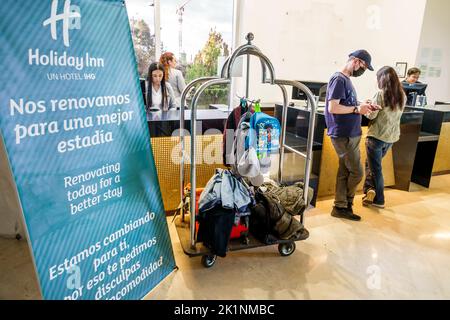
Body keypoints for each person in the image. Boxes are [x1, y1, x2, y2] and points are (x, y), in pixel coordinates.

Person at [325, 49, 380, 221]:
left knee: (345, 172)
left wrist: (364, 105)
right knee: (357, 172)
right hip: (344, 135)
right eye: (363, 66)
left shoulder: (346, 80)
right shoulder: (339, 79)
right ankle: (346, 203)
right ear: (355, 61)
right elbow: (332, 108)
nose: (362, 70)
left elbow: (346, 103)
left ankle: (340, 206)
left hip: (350, 134)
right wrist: (357, 109)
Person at [363, 66, 406, 209]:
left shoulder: (380, 94)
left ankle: (379, 200)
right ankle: (370, 191)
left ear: (382, 79)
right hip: (391, 138)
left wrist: (366, 107)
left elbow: (371, 115)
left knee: (375, 169)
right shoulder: (402, 95)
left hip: (376, 137)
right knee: (371, 165)